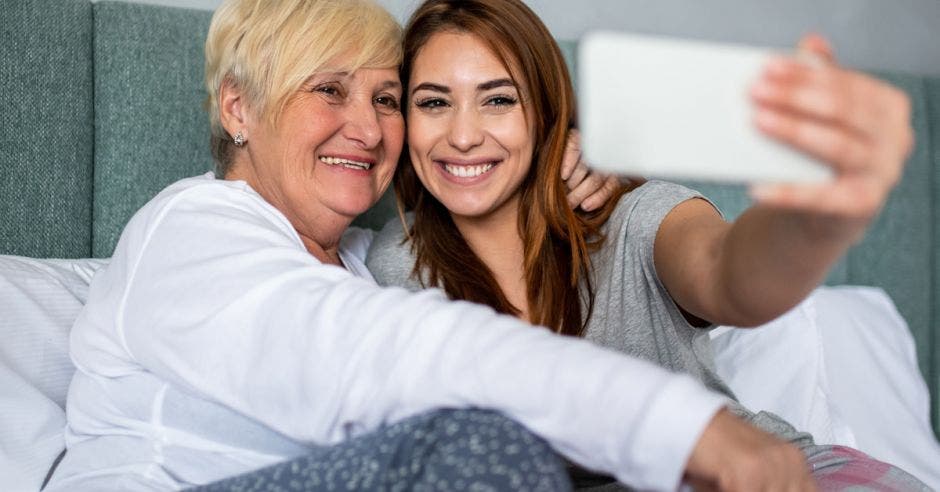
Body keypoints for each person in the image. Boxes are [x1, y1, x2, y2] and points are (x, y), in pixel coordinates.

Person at [42, 0, 822, 491]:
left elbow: (721, 272)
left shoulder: (366, 261)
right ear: (237, 107)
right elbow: (390, 357)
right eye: (328, 89)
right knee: (481, 442)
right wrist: (677, 425)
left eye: (386, 98)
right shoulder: (193, 231)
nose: (367, 126)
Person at [366, 0, 928, 490]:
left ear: (545, 115)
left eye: (498, 100)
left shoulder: (635, 217)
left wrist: (814, 216)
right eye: (434, 102)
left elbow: (727, 274)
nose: (463, 136)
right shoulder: (397, 266)